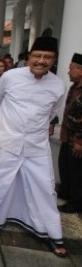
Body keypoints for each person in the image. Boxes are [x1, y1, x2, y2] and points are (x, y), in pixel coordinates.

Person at [0, 37, 67, 257]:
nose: (41, 61)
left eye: (47, 57)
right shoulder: (10, 77)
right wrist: (2, 130)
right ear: (29, 57)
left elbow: (52, 114)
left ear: (54, 60)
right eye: (37, 56)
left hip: (36, 144)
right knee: (0, 180)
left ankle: (50, 232)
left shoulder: (58, 85)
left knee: (45, 187)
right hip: (7, 141)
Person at [57, 53, 82, 213]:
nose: (68, 71)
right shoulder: (75, 87)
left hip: (77, 140)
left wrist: (79, 141)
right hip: (68, 137)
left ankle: (76, 202)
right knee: (65, 166)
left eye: (71, 68)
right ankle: (66, 192)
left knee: (77, 172)